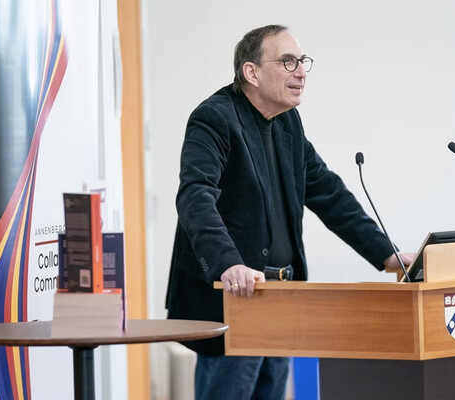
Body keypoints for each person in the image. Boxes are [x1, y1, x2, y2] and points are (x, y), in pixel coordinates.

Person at [166, 24, 414, 400]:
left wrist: (386, 254)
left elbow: (329, 194)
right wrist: (227, 263)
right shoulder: (214, 118)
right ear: (251, 72)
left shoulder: (288, 124)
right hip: (233, 301)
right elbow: (195, 196)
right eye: (288, 61)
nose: (301, 72)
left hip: (281, 301)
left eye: (302, 62)